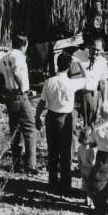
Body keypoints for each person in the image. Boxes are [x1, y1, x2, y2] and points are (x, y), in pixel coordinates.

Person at [35, 51, 76, 195]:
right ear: (69, 66)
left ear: (57, 65)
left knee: (52, 151)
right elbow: (86, 78)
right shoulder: (72, 83)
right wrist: (76, 61)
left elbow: (42, 102)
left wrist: (37, 117)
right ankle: (65, 184)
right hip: (65, 118)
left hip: (51, 117)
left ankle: (52, 182)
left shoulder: (49, 81)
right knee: (65, 152)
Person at [0, 35, 38, 175]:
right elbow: (16, 72)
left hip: (9, 95)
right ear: (25, 44)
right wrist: (22, 89)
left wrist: (3, 90)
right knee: (30, 128)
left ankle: (16, 163)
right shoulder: (19, 56)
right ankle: (30, 164)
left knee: (15, 128)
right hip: (20, 95)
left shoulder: (5, 56)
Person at [70, 36, 108, 131]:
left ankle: (88, 144)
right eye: (93, 49)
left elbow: (103, 82)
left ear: (102, 50)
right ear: (89, 46)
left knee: (90, 126)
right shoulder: (77, 55)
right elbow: (68, 73)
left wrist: (104, 101)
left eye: (98, 50)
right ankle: (74, 145)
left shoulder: (102, 61)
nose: (96, 52)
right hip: (76, 95)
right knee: (72, 124)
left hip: (91, 96)